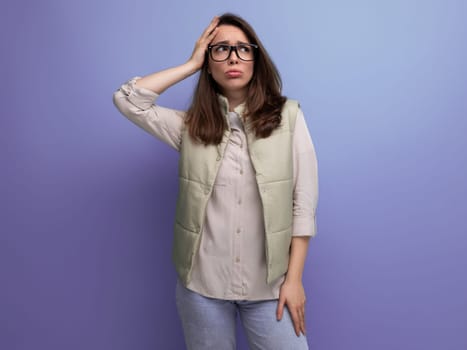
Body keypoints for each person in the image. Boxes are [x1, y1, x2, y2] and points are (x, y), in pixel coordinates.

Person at [112, 13, 318, 350]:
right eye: (220, 49)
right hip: (201, 287)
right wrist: (191, 63)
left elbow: (304, 203)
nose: (233, 57)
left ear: (256, 59)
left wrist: (294, 280)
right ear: (209, 62)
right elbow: (128, 99)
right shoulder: (189, 127)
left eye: (242, 49)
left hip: (270, 287)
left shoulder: (289, 118)